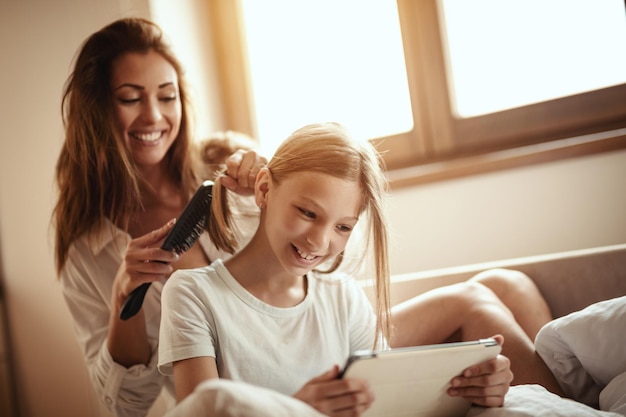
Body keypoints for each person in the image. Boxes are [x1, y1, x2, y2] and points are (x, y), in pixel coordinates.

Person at [157, 122, 514, 416]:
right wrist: (296, 410)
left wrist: (473, 391)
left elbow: (389, 407)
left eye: (342, 227)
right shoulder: (192, 294)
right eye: (308, 213)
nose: (318, 242)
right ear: (264, 189)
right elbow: (204, 409)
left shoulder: (344, 298)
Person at [53, 17, 265, 417]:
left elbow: (323, 265)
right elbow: (125, 407)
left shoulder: (229, 169)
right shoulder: (87, 251)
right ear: (96, 111)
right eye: (131, 98)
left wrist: (278, 196)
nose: (153, 116)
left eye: (167, 96)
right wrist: (123, 299)